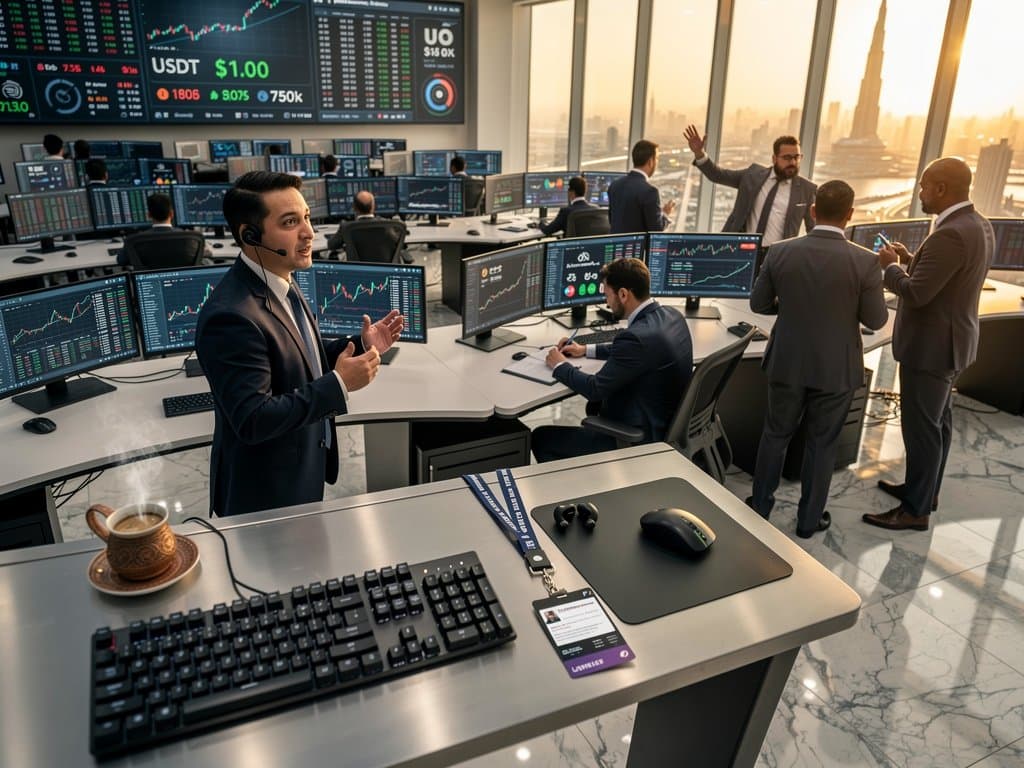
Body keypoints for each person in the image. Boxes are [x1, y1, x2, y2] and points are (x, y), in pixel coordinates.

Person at [196, 171, 405, 517]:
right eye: (290, 222)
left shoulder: (281, 280)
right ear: (250, 235)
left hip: (302, 469)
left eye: (307, 217)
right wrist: (338, 384)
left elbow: (298, 351)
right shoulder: (230, 316)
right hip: (265, 496)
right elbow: (252, 419)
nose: (309, 232)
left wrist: (358, 344)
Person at [747, 180, 888, 538]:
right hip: (836, 369)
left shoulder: (779, 252)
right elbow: (875, 320)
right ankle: (808, 522)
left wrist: (789, 305)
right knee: (822, 446)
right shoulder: (867, 262)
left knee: (775, 436)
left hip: (788, 363)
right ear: (850, 215)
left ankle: (759, 507)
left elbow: (759, 304)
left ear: (812, 211)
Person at [863, 157, 994, 532]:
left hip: (931, 349)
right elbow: (947, 279)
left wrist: (891, 267)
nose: (920, 192)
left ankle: (914, 510)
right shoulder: (978, 225)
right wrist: (910, 259)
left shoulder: (949, 234)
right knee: (939, 423)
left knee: (921, 429)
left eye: (923, 186)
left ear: (941, 188)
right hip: (954, 342)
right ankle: (926, 490)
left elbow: (917, 294)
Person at [531, 258, 693, 462]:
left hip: (639, 440)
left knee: (541, 438)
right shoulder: (671, 315)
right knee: (595, 408)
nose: (606, 302)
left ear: (623, 294)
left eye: (607, 294)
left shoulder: (636, 338)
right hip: (664, 423)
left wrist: (559, 365)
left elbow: (594, 388)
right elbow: (635, 351)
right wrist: (585, 349)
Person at [683, 125, 816, 247]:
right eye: (787, 157)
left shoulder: (807, 189)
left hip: (778, 257)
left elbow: (814, 230)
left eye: (797, 157)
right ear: (774, 158)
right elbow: (718, 175)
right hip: (742, 250)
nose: (793, 162)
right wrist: (699, 153)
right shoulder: (752, 175)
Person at [607, 140, 675, 234]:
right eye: (657, 158)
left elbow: (612, 221)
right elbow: (656, 229)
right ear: (650, 161)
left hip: (615, 245)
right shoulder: (650, 191)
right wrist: (665, 214)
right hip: (637, 247)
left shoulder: (614, 185)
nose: (657, 162)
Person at [326, 189, 410, 262]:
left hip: (360, 275)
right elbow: (400, 243)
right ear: (373, 207)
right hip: (386, 273)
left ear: (354, 208)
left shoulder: (346, 228)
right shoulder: (391, 226)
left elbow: (331, 245)